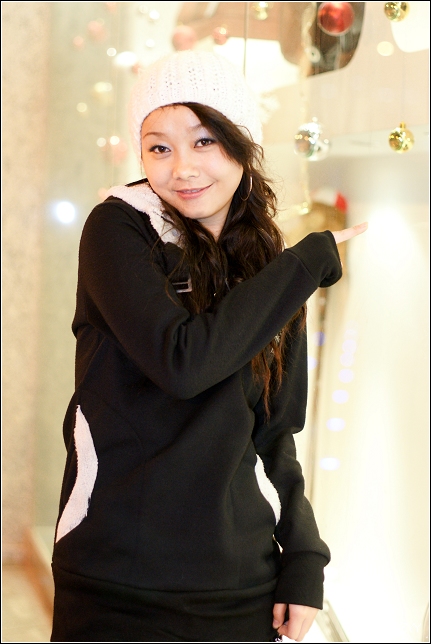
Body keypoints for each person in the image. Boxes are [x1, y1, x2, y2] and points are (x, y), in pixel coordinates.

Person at [50, 50, 367, 643]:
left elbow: (276, 432)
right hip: (117, 579)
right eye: (159, 147)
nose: (182, 168)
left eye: (204, 141)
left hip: (240, 584)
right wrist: (301, 269)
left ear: (242, 143)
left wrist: (303, 559)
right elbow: (182, 363)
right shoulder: (117, 229)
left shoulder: (268, 266)